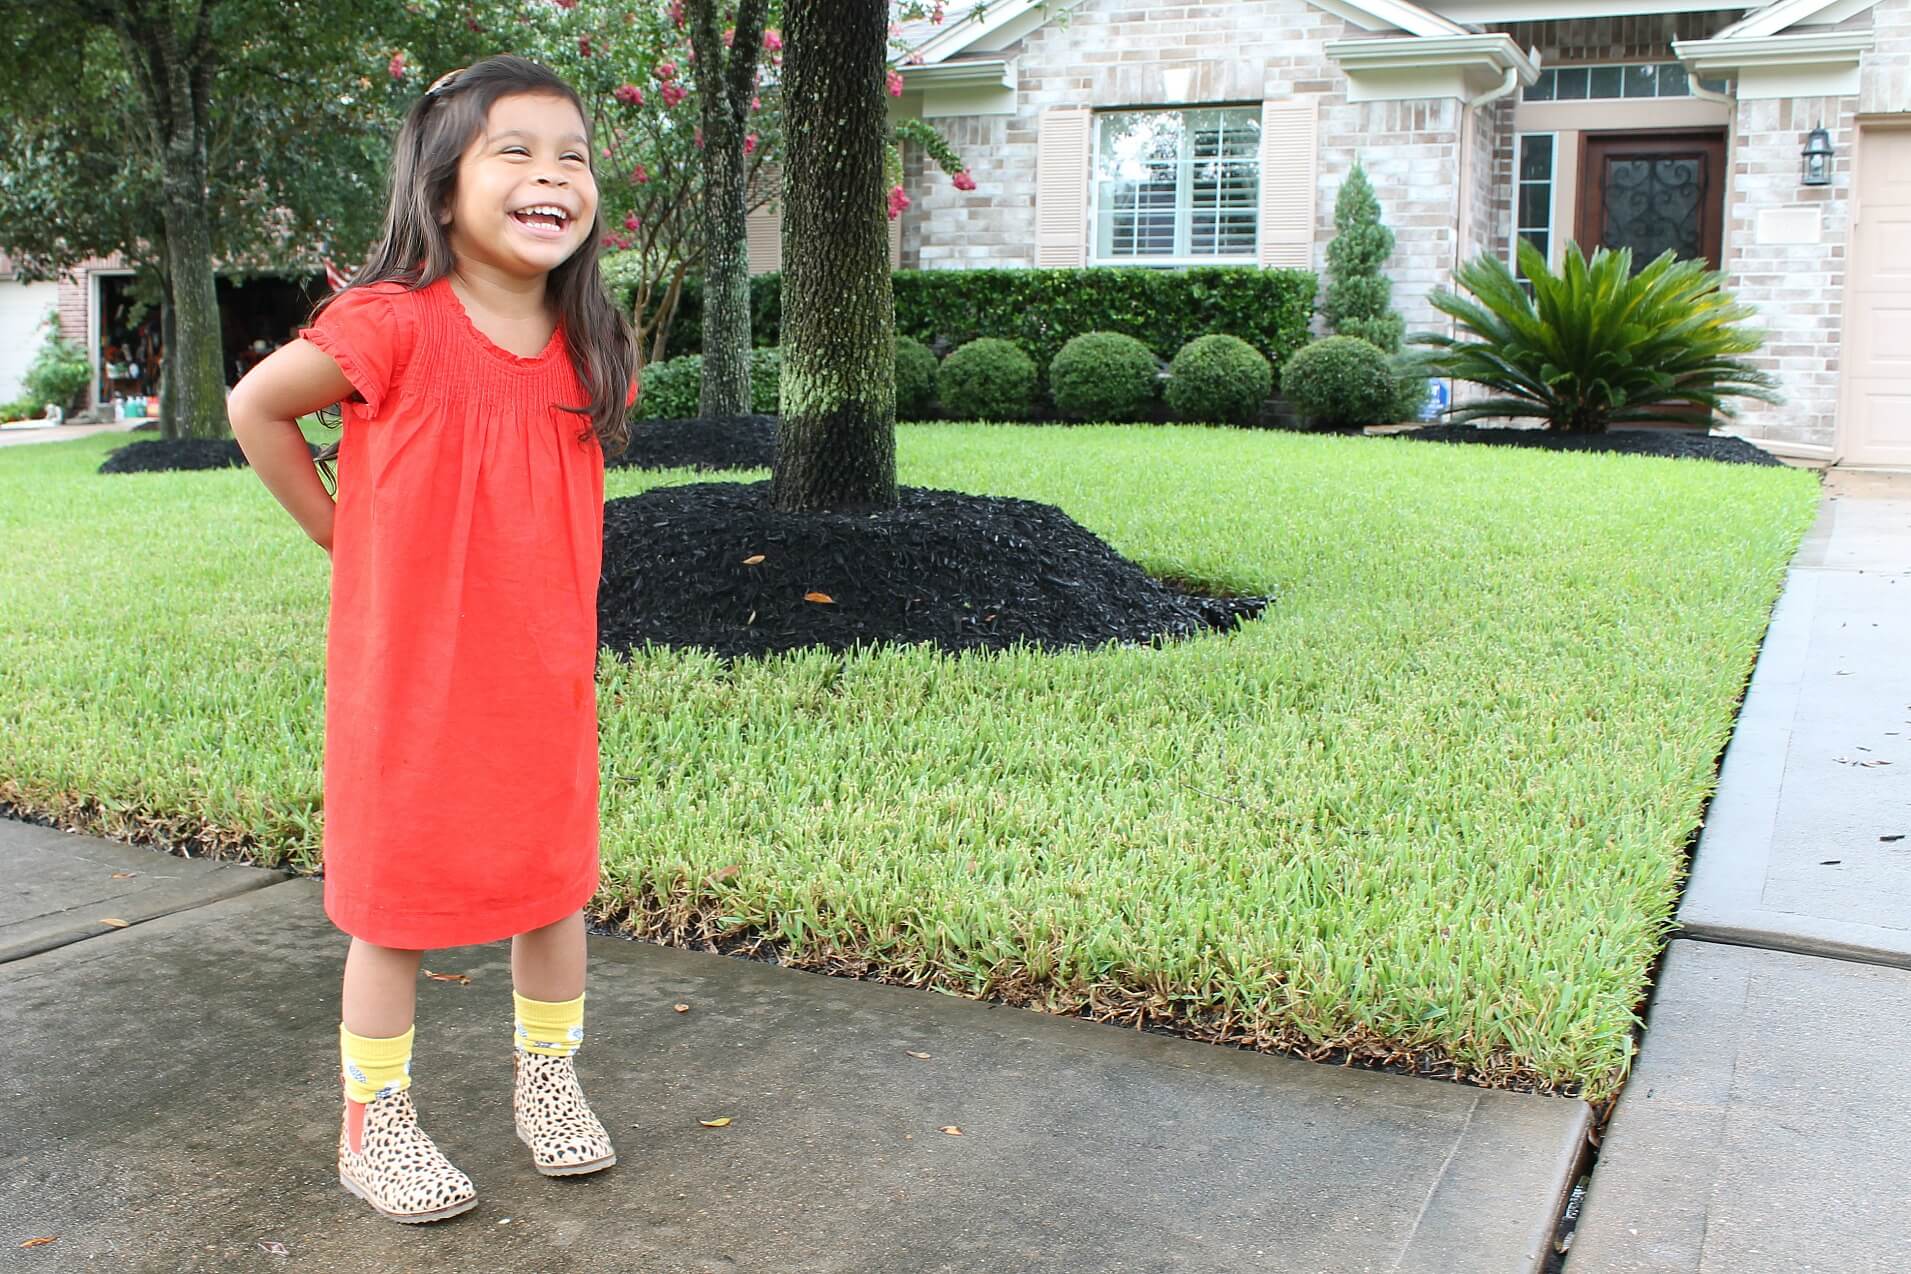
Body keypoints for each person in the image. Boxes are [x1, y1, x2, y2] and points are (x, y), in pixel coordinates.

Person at [226, 55, 639, 1224]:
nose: (553, 174)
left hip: (539, 675)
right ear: (442, 181)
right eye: (518, 150)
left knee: (552, 888)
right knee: (396, 908)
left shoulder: (588, 341)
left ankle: (547, 1081)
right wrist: (340, 531)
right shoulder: (390, 325)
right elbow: (257, 405)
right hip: (408, 680)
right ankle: (376, 1118)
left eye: (574, 156)